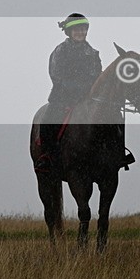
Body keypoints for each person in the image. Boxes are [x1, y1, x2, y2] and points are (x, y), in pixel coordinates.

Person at [35, 13, 102, 173]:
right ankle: (47, 155)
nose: (81, 32)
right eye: (77, 29)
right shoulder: (61, 50)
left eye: (83, 29)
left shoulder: (93, 53)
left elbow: (98, 75)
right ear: (70, 32)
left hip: (88, 98)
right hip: (63, 98)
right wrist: (76, 89)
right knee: (48, 119)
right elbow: (56, 75)